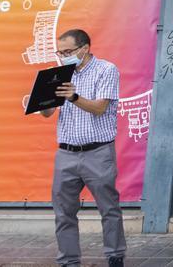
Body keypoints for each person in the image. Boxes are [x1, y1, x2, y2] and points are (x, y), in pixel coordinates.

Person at [41, 29, 125, 267]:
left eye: (67, 52)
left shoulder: (106, 70)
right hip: (66, 153)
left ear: (84, 48)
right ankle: (68, 261)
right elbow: (47, 113)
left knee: (108, 208)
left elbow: (99, 108)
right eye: (60, 52)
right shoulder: (58, 74)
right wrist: (43, 99)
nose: (63, 56)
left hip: (97, 152)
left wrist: (73, 96)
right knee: (63, 212)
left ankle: (115, 255)